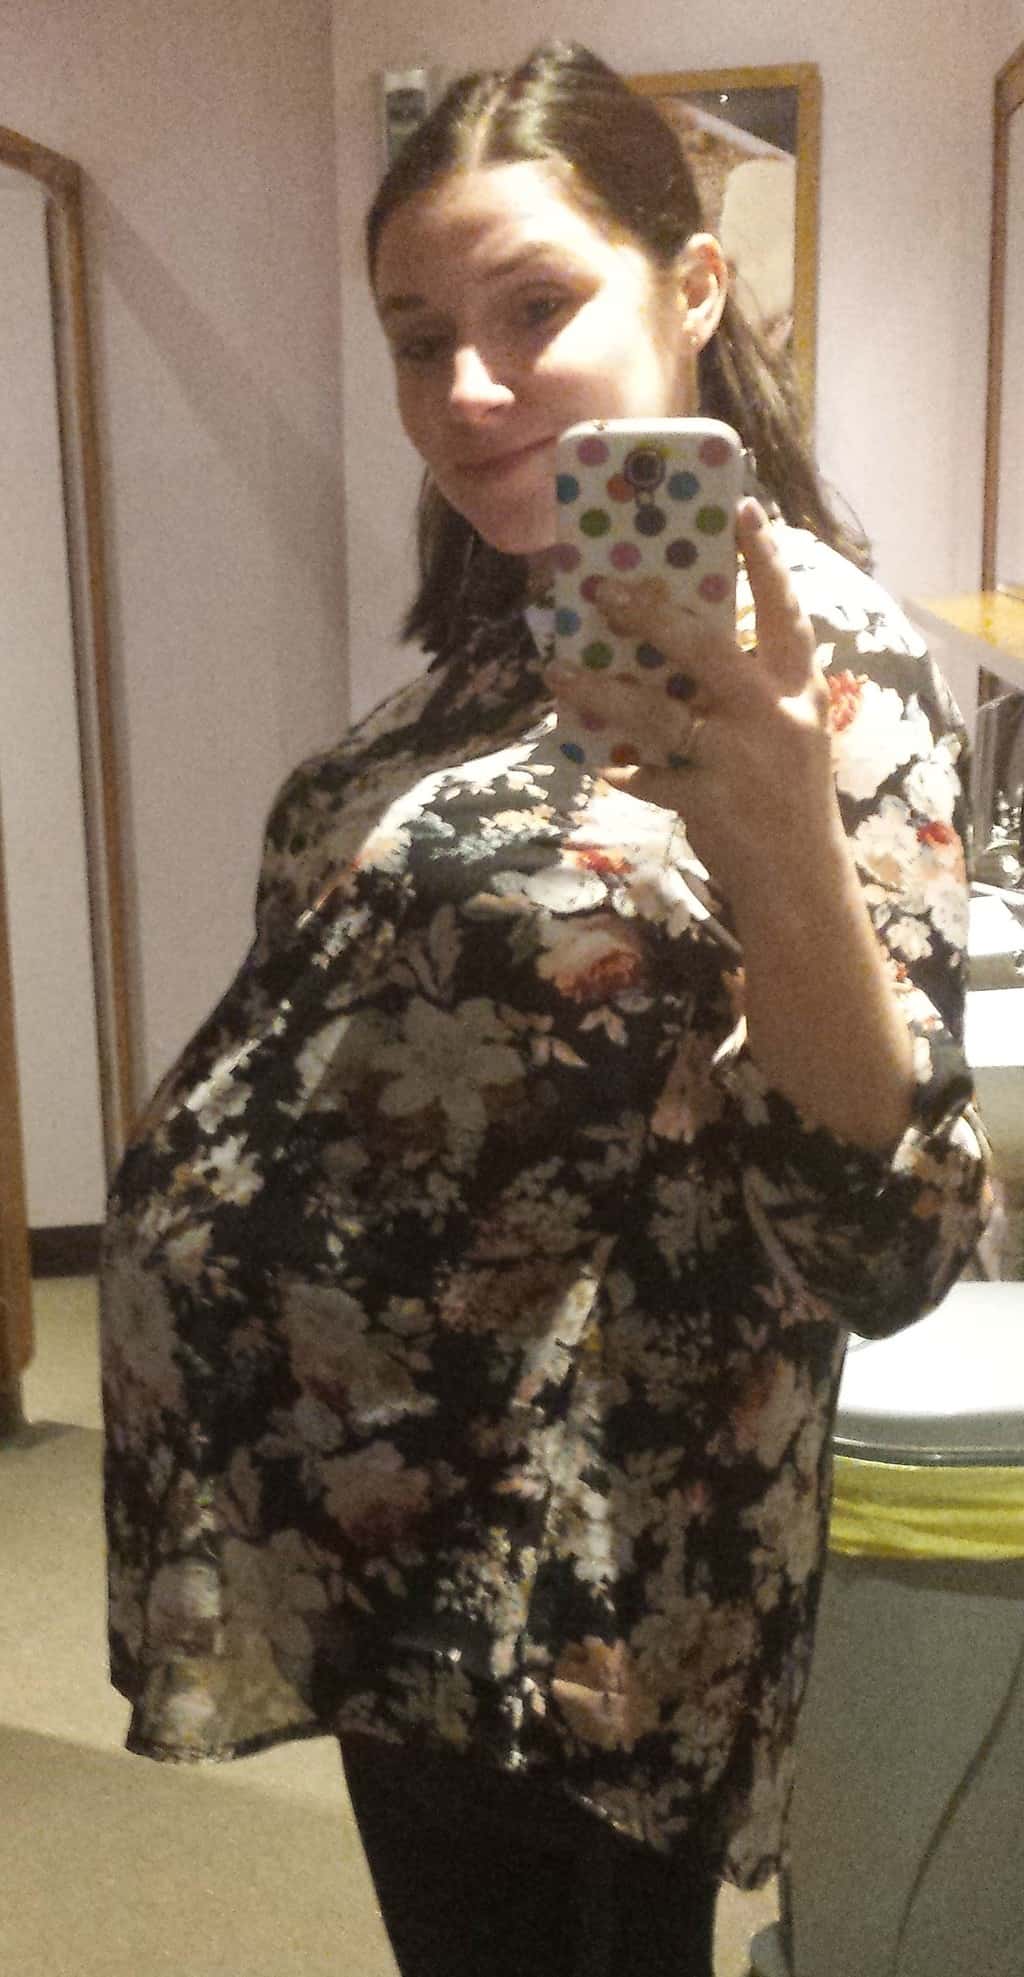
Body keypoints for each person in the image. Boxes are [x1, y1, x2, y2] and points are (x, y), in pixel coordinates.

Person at [100, 41, 989, 1977]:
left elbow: (888, 1234)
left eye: (535, 308)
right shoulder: (489, 653)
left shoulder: (816, 665)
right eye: (420, 339)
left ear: (692, 287)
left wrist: (777, 826)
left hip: (585, 1567)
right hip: (390, 1523)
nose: (468, 387)